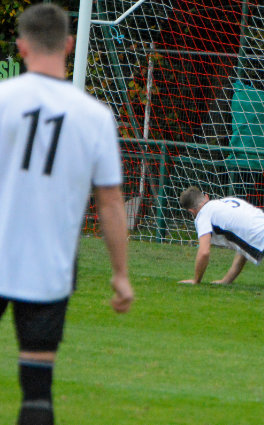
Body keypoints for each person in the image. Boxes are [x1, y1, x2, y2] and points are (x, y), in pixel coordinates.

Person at [0, 4, 134, 424]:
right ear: (69, 45)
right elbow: (110, 202)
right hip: (50, 263)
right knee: (37, 391)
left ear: (21, 47)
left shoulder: (3, 99)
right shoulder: (95, 116)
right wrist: (120, 273)